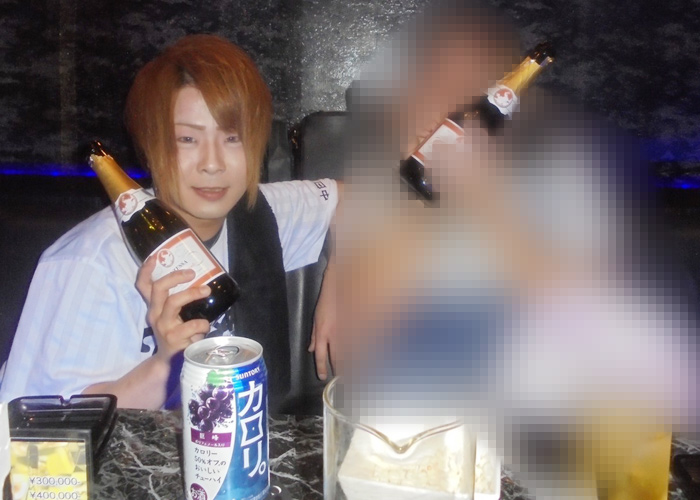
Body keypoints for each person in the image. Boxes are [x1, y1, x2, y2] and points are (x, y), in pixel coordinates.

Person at [0, 34, 339, 412]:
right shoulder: (88, 263)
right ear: (151, 146)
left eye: (232, 138)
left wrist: (346, 275)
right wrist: (166, 362)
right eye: (188, 139)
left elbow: (359, 199)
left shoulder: (260, 213)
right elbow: (41, 423)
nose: (213, 164)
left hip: (239, 440)